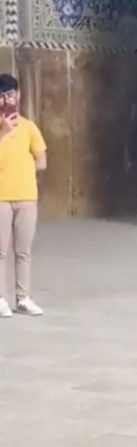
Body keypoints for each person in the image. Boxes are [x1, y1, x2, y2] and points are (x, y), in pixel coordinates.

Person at [0, 73, 47, 317]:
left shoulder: (29, 127)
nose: (7, 99)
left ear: (17, 95)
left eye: (10, 94)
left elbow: (42, 162)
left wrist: (25, 165)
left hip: (27, 196)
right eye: (2, 95)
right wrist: (3, 132)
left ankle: (23, 298)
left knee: (23, 251)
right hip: (0, 197)